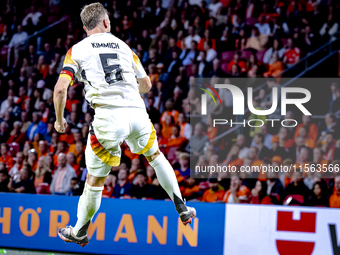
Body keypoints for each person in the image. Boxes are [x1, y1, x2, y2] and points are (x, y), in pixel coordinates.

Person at [54, 3, 195, 247]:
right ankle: (181, 206)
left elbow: (60, 89)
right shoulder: (124, 47)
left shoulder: (76, 51)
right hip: (137, 113)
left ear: (85, 26)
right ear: (106, 23)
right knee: (156, 156)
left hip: (108, 118)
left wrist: (59, 119)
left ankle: (79, 230)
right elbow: (147, 84)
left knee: (96, 180)